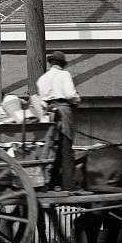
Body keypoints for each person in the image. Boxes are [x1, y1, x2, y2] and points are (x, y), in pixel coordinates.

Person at [36, 50, 81, 191]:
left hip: (47, 114)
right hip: (62, 111)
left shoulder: (42, 79)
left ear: (51, 63)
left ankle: (52, 182)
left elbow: (41, 100)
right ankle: (69, 185)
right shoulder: (64, 75)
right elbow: (70, 94)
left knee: (54, 150)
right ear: (62, 64)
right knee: (66, 149)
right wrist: (77, 99)